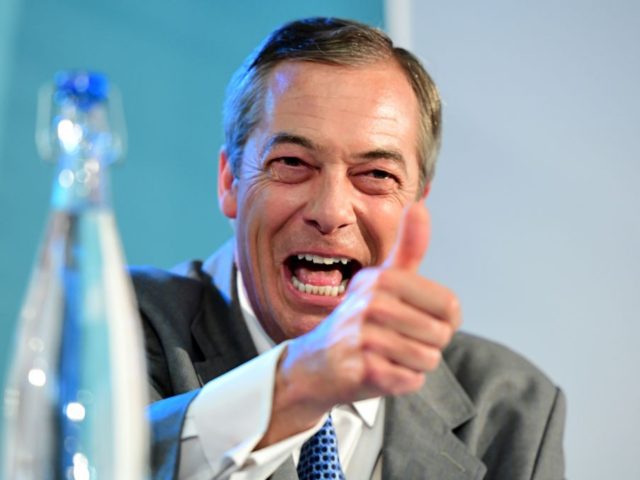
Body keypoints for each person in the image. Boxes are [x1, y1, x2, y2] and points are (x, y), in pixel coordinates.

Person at [133, 17, 566, 479]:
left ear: (417, 202)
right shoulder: (112, 322)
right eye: (293, 163)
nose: (331, 210)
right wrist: (296, 385)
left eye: (377, 175)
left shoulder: (512, 406)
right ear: (229, 182)